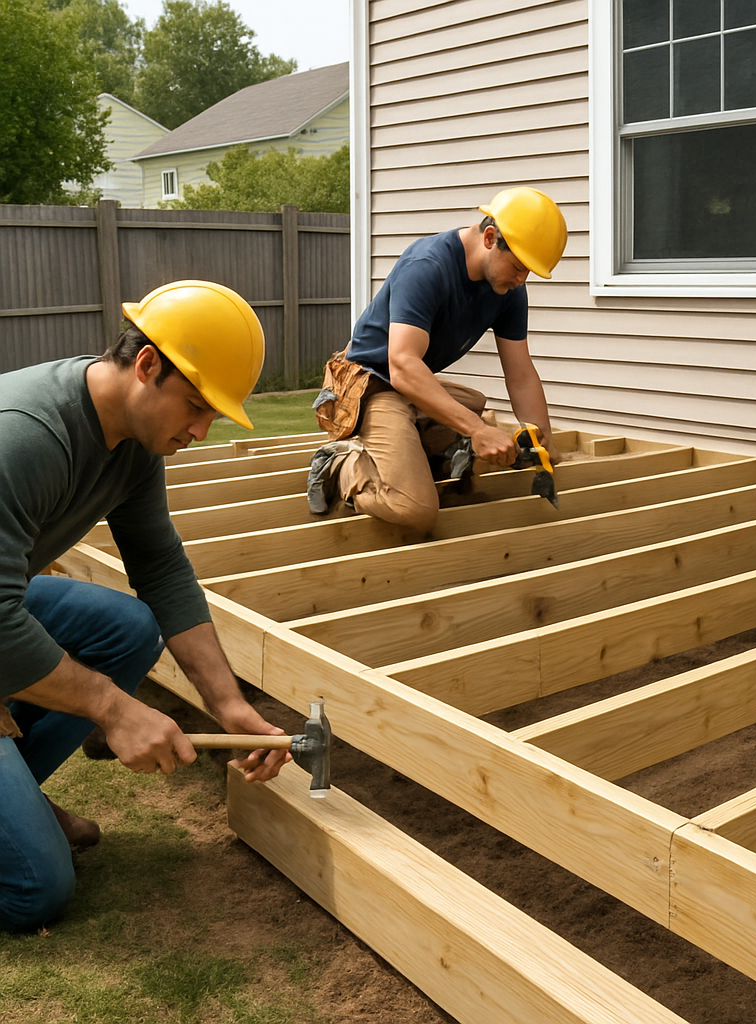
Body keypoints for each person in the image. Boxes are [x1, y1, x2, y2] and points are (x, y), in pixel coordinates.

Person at [0, 280, 290, 933]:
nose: (199, 429)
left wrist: (228, 704)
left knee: (128, 627)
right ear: (147, 365)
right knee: (36, 891)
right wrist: (111, 709)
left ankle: (13, 806)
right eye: (195, 406)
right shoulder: (24, 435)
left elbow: (158, 566)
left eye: (212, 413)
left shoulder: (131, 444)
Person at [308, 186, 568, 531]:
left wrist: (542, 442)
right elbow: (401, 365)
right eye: (519, 267)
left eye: (529, 273)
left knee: (474, 403)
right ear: (490, 237)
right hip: (368, 383)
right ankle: (339, 466)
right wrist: (476, 430)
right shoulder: (428, 266)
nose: (522, 280)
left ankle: (421, 458)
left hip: (405, 385)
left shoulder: (508, 290)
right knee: (415, 509)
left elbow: (520, 374)